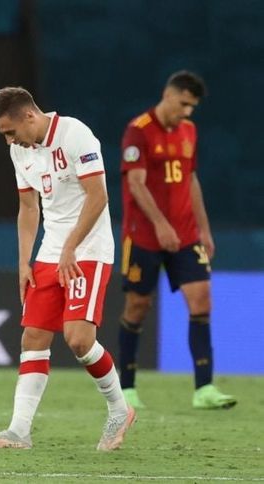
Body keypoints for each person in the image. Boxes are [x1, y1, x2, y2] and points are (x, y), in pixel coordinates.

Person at [0, 87, 134, 451]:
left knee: (78, 339)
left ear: (29, 116)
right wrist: (23, 262)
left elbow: (98, 196)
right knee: (33, 337)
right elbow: (29, 208)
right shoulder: (20, 151)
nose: (8, 140)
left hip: (88, 249)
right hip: (50, 251)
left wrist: (71, 246)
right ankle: (18, 431)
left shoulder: (75, 135)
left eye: (10, 131)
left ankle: (119, 409)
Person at [117, 71, 236, 410]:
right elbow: (136, 184)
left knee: (201, 301)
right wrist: (160, 225)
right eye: (184, 104)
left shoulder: (189, 131)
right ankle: (126, 388)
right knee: (138, 306)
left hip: (185, 234)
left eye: (192, 107)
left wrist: (204, 229)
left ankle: (204, 388)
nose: (187, 112)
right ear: (168, 94)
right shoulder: (139, 130)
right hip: (144, 235)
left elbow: (191, 180)